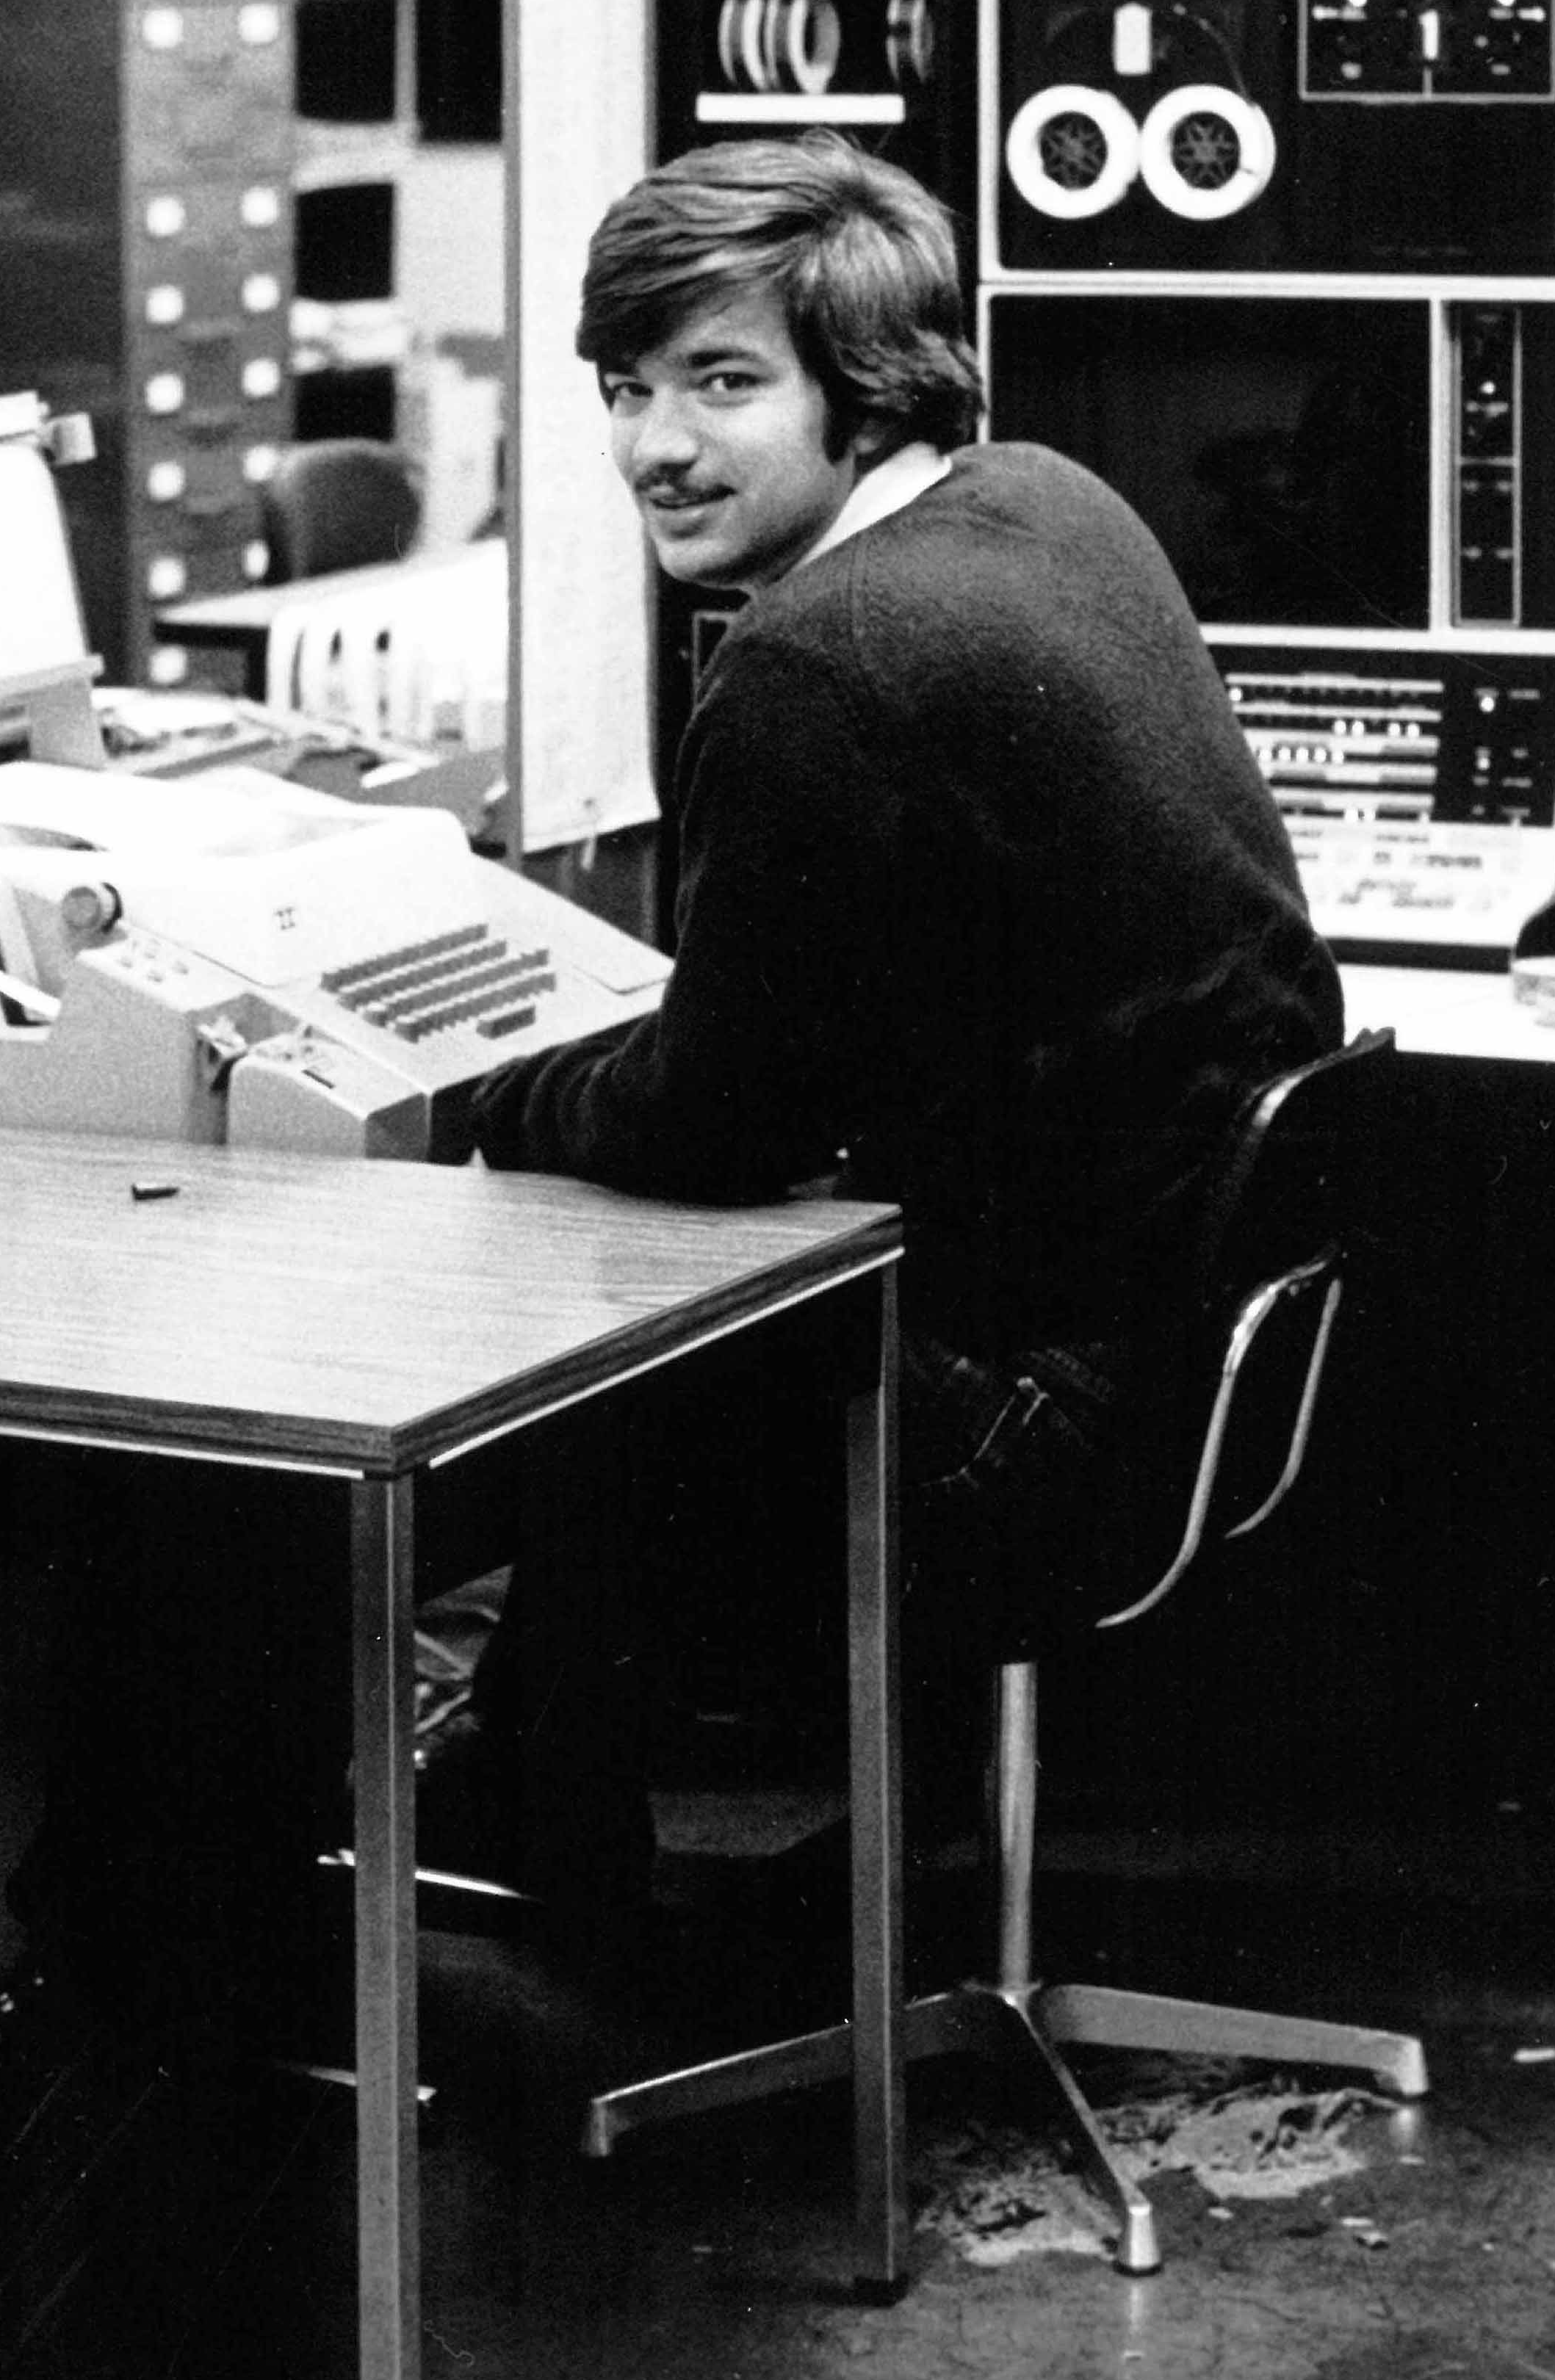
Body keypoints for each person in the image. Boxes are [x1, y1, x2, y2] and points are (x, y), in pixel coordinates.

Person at [463, 133, 1343, 1757]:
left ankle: (482, 1899)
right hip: (1177, 1381)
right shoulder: (1038, 497)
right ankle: (507, 1826)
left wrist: (494, 1108)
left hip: (1023, 1441)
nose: (652, 447)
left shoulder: (819, 657)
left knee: (462, 1362)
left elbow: (717, 1125)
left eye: (719, 383)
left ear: (864, 392)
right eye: (621, 386)